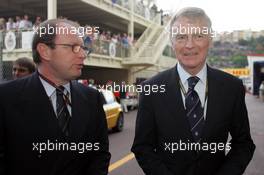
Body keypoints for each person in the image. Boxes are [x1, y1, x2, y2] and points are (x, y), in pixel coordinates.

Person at [131, 7, 255, 175]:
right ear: (172, 42)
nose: (190, 45)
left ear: (210, 40)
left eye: (198, 36)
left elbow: (243, 143)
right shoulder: (150, 89)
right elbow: (142, 147)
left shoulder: (232, 88)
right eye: (181, 37)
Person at [0, 19, 111, 175]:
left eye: (82, 48)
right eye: (73, 47)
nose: (83, 54)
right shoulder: (5, 98)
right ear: (44, 51)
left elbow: (99, 154)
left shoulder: (92, 98)